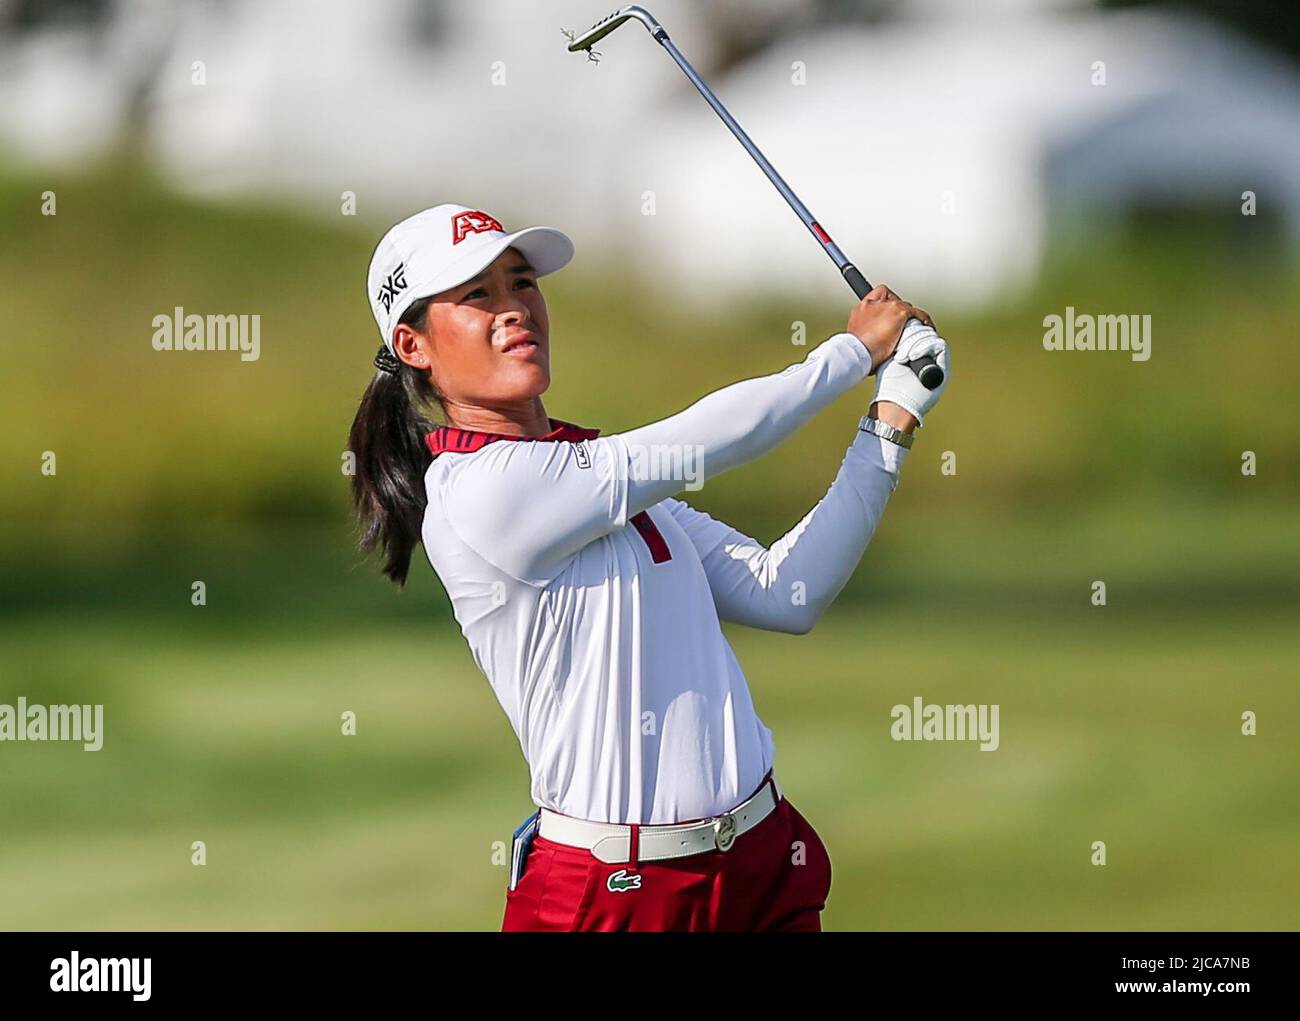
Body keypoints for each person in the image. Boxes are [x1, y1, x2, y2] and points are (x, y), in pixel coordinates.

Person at [348, 203, 950, 931]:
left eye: (522, 283)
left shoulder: (606, 487)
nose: (514, 311)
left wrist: (890, 421)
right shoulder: (479, 492)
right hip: (614, 894)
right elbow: (695, 441)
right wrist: (850, 354)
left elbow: (786, 593)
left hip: (762, 865)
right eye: (478, 296)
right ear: (413, 345)